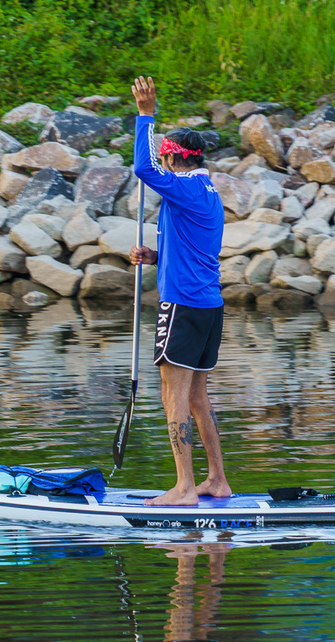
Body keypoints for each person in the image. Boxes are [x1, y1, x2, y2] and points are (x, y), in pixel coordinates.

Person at [129, 76, 230, 507]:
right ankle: (217, 481)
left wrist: (145, 116)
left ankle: (184, 488)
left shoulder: (185, 186)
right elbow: (194, 245)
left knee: (174, 396)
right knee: (196, 397)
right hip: (208, 305)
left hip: (184, 306)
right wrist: (156, 257)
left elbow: (141, 168)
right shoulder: (206, 191)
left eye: (165, 156)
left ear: (173, 160)